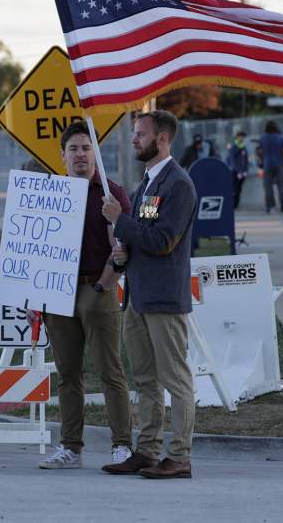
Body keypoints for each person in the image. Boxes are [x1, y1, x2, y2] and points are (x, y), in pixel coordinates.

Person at [101, 110, 197, 480]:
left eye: (140, 134)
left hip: (164, 299)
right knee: (144, 380)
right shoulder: (146, 185)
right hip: (138, 296)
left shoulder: (178, 184)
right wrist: (123, 254)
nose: (134, 140)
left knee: (175, 378)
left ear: (162, 139)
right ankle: (148, 450)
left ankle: (180, 455)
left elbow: (163, 241)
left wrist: (118, 220)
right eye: (135, 134)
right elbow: (142, 238)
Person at [38, 121, 134, 471]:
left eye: (86, 148)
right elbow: (36, 250)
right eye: (74, 149)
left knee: (110, 371)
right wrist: (33, 295)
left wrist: (103, 285)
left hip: (98, 286)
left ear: (95, 153)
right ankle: (71, 447)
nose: (80, 154)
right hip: (57, 293)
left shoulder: (113, 193)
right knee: (68, 374)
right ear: (62, 155)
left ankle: (122, 445)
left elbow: (123, 247)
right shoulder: (47, 195)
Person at [259, 121, 283, 214]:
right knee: (280, 186)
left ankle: (269, 207)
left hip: (267, 164)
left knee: (268, 187)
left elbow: (261, 152)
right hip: (279, 163)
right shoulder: (280, 137)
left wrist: (262, 162)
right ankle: (282, 206)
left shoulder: (263, 138)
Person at [225, 130, 249, 209]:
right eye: (240, 136)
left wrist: (245, 170)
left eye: (243, 136)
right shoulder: (234, 147)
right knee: (234, 189)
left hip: (242, 172)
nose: (242, 138)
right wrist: (238, 171)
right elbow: (232, 160)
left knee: (239, 189)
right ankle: (233, 205)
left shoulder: (243, 147)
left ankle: (236, 205)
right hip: (235, 172)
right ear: (237, 137)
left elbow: (245, 160)